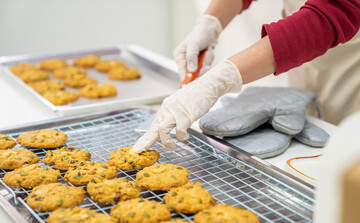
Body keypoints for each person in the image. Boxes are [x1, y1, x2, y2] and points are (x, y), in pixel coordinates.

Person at [132, 0, 360, 154]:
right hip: (308, 43)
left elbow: (336, 10)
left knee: (347, 153)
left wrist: (221, 79)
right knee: (312, 140)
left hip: (349, 54)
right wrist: (210, 22)